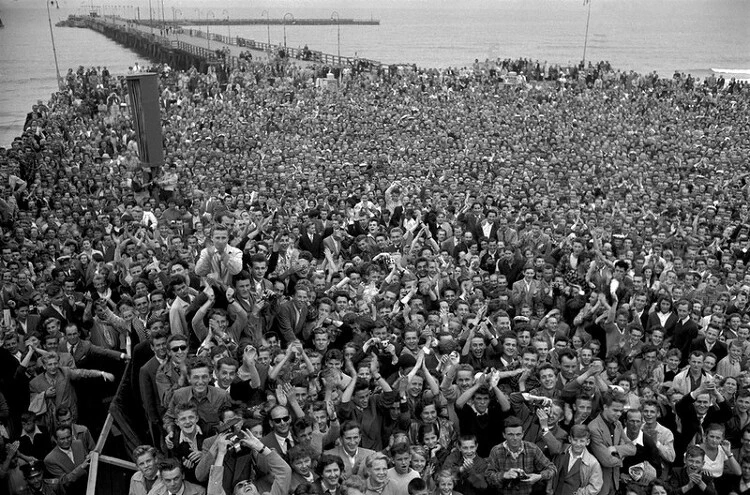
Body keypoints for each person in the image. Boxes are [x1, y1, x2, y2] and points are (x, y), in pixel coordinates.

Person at [485, 416, 556, 495]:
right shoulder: (496, 451)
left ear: (523, 434)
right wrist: (504, 475)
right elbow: (488, 477)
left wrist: (539, 476)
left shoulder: (532, 448)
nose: (515, 438)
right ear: (504, 435)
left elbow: (552, 469)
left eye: (518, 434)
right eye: (511, 434)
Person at [587, 393, 636, 495]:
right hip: (598, 484)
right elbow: (607, 461)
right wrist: (622, 456)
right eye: (615, 410)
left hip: (614, 483)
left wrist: (615, 448)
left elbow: (632, 448)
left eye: (621, 411)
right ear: (605, 407)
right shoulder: (593, 428)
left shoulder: (618, 424)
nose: (619, 414)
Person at [547, 424, 603, 495]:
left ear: (587, 442)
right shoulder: (561, 452)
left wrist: (579, 493)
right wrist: (549, 488)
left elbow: (595, 487)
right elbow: (552, 470)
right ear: (570, 439)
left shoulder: (593, 463)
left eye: (582, 441)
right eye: (575, 440)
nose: (578, 444)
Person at [44, 424, 90, 495]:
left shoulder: (78, 443)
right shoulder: (50, 459)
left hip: (89, 487)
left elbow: (87, 461)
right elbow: (64, 481)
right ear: (55, 440)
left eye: (68, 437)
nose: (66, 441)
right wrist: (81, 467)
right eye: (62, 439)